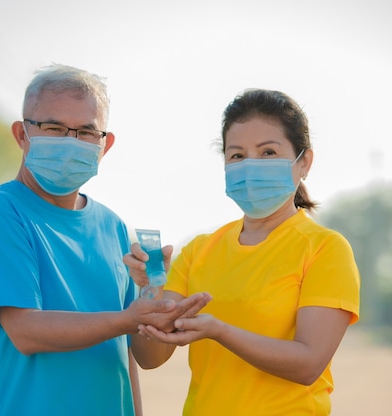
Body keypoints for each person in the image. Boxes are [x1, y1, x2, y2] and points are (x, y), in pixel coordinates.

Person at [0, 63, 210, 416]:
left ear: (105, 145)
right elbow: (27, 332)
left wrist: (154, 297)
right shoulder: (0, 213)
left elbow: (141, 358)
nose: (70, 142)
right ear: (21, 135)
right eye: (54, 128)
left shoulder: (115, 227)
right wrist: (127, 318)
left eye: (87, 133)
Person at [125, 89, 361, 415]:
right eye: (237, 156)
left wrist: (220, 331)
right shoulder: (198, 251)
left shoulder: (325, 248)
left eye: (267, 152)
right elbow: (150, 358)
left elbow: (308, 365)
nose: (251, 166)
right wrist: (150, 288)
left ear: (304, 161)